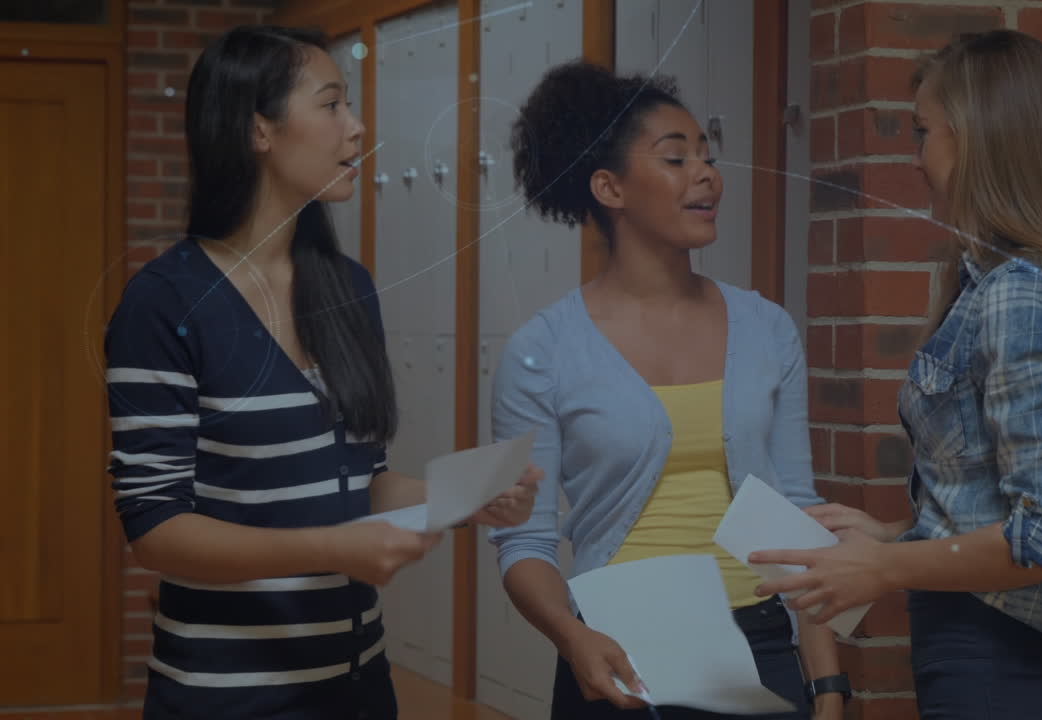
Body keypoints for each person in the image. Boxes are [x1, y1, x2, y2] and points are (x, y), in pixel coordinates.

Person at [104, 26, 538, 719]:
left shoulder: (347, 288)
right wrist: (330, 549)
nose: (358, 127)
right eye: (332, 105)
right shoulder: (166, 303)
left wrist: (459, 499)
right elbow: (155, 530)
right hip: (228, 698)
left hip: (361, 686)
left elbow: (357, 479)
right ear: (258, 131)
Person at [750, 29, 1042, 719]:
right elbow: (1000, 507)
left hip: (1010, 678)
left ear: (976, 140)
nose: (917, 158)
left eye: (923, 133)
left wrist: (884, 568)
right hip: (984, 669)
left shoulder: (1021, 294)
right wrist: (895, 535)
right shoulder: (985, 283)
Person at [488, 61, 845, 720]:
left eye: (707, 157)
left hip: (763, 645)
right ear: (610, 188)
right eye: (676, 159)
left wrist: (826, 683)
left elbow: (799, 512)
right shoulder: (542, 352)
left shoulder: (767, 329)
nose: (706, 175)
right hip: (618, 652)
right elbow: (526, 544)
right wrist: (574, 638)